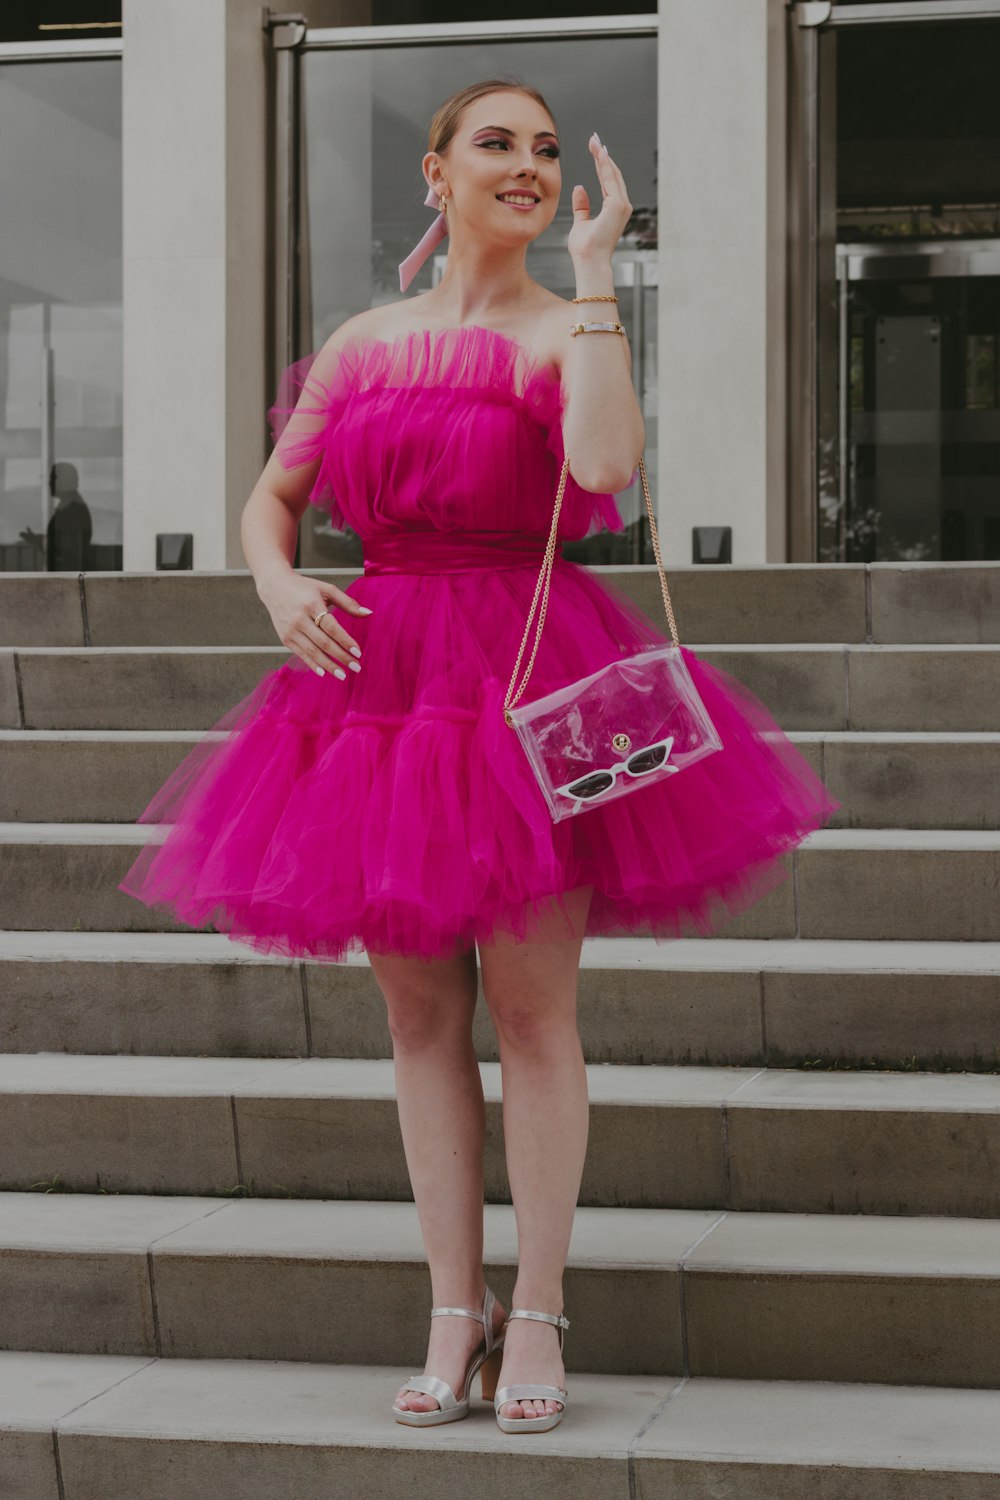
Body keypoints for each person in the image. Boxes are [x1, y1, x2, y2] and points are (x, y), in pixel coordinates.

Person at [118, 78, 839, 1434]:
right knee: (416, 1016)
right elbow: (274, 499)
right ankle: (459, 1308)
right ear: (436, 178)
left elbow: (613, 465)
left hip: (527, 665)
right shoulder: (365, 341)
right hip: (380, 683)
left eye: (546, 149)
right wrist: (276, 585)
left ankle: (545, 1303)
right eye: (495, 145)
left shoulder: (573, 325)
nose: (527, 164)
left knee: (530, 1011)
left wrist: (600, 274)